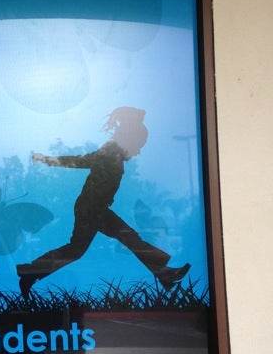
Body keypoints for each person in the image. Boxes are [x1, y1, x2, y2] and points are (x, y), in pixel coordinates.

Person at [17, 107, 190, 297]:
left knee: (79, 250)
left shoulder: (114, 154)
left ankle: (29, 273)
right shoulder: (110, 152)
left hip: (95, 208)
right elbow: (80, 161)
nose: (139, 151)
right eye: (139, 145)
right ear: (130, 139)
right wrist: (47, 159)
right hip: (91, 209)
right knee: (124, 239)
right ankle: (164, 274)